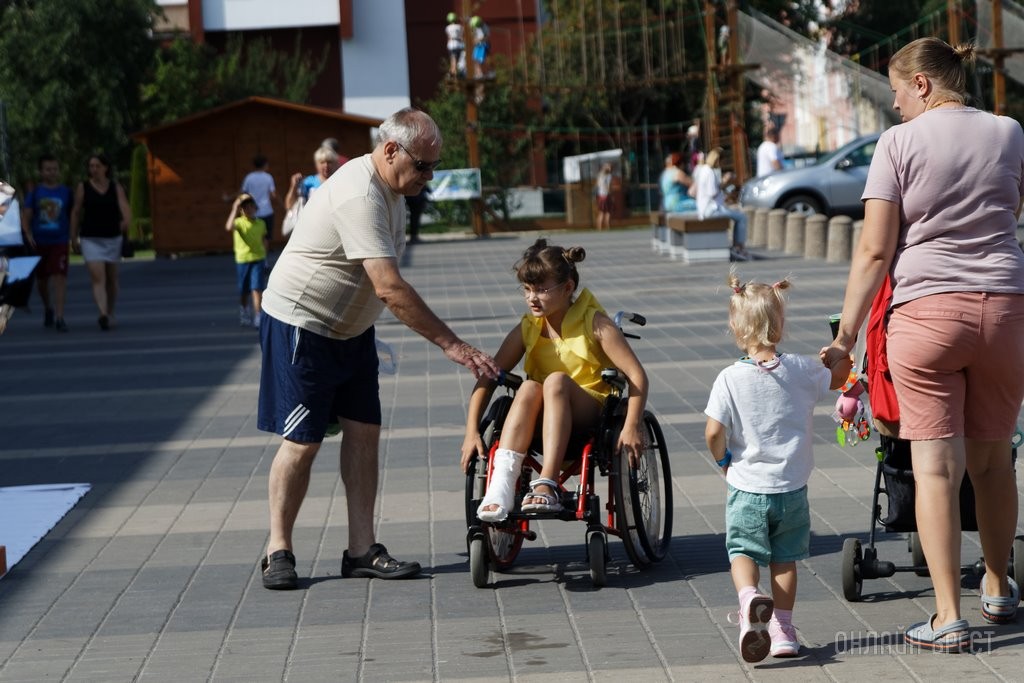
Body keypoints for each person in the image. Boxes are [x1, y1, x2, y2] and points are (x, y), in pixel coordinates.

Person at [821, 37, 1024, 653]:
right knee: (993, 462)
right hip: (1007, 312)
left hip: (926, 317)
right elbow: (1013, 210)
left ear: (924, 84)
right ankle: (995, 586)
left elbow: (877, 250)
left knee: (935, 470)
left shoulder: (898, 145)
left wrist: (846, 334)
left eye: (898, 93)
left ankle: (946, 615)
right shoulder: (1009, 131)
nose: (896, 107)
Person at [257, 107, 499, 590]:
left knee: (364, 434)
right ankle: (277, 549)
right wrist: (452, 344)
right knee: (302, 443)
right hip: (303, 326)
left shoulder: (395, 191)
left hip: (352, 333)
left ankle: (361, 548)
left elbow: (378, 286)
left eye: (434, 168)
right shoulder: (359, 192)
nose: (428, 178)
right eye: (423, 166)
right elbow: (389, 287)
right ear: (391, 150)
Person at [705, 270, 848, 662]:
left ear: (735, 325)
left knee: (742, 552)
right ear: (780, 323)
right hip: (792, 489)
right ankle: (783, 631)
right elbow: (839, 378)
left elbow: (714, 431)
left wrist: (723, 461)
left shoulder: (729, 378)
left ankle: (750, 597)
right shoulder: (802, 369)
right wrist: (839, 350)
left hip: (747, 487)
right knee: (784, 560)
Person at [461, 239, 649, 522]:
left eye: (541, 290)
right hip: (539, 421)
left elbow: (637, 375)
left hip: (588, 414)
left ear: (568, 288)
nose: (532, 298)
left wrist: (632, 425)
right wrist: (471, 432)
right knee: (527, 386)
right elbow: (489, 378)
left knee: (555, 381)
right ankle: (501, 486)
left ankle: (547, 481)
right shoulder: (528, 328)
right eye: (527, 289)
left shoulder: (595, 322)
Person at [70, 153, 131, 331]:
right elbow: (75, 212)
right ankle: (102, 313)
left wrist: (126, 222)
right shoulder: (83, 187)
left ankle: (110, 311)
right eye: (91, 166)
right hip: (91, 238)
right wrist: (74, 237)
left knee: (112, 278)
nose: (94, 170)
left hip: (112, 237)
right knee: (98, 277)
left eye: (97, 166)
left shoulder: (115, 187)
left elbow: (125, 208)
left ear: (105, 168)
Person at [21, 154, 72, 332]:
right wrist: (27, 234)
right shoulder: (35, 193)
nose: (52, 172)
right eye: (48, 169)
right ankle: (48, 307)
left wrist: (73, 235)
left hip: (60, 241)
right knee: (42, 281)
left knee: (60, 276)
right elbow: (26, 216)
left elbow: (73, 215)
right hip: (39, 242)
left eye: (55, 169)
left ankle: (60, 317)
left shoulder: (66, 192)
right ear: (41, 171)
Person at [693, 147, 749, 260]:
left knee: (738, 216)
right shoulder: (709, 172)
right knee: (742, 217)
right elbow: (712, 192)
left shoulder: (704, 169)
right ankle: (738, 246)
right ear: (717, 159)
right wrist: (725, 182)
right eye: (721, 161)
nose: (722, 164)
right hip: (710, 210)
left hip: (706, 209)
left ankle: (737, 246)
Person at [224, 193, 267, 328]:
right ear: (241, 210)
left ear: (255, 208)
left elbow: (264, 240)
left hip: (258, 258)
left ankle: (258, 315)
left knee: (256, 288)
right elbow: (228, 227)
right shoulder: (239, 223)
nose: (248, 209)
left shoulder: (261, 223)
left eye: (250, 206)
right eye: (244, 207)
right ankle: (244, 310)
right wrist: (234, 208)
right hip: (243, 260)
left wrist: (265, 255)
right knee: (244, 289)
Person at [284, 146, 340, 213]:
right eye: (322, 162)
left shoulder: (340, 181)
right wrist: (293, 186)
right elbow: (289, 205)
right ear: (316, 164)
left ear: (335, 163)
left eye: (329, 162)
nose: (326, 165)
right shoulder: (308, 182)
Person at [240, 155, 277, 242]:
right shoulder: (268, 177)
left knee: (255, 237)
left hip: (253, 212)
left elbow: (242, 192)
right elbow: (273, 195)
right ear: (265, 165)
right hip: (267, 211)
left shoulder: (249, 177)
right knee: (266, 238)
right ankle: (265, 255)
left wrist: (228, 198)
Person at [445, 12, 465, 79]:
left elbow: (448, 37)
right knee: (458, 61)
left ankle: (453, 75)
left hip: (451, 45)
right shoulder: (460, 27)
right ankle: (453, 74)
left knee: (453, 61)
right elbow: (462, 36)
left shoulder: (448, 28)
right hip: (459, 45)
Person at [594, 163, 613, 231]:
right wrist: (607, 190)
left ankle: (607, 227)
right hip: (603, 196)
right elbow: (601, 185)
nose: (609, 168)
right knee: (602, 212)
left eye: (610, 167)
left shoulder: (609, 176)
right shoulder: (602, 176)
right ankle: (599, 228)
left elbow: (608, 185)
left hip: (606, 195)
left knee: (608, 212)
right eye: (608, 167)